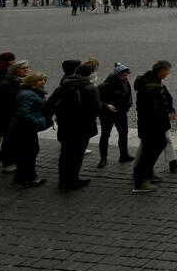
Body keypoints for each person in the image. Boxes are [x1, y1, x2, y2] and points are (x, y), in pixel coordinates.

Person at [46, 60, 104, 191]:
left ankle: (62, 180)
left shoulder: (63, 86)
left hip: (65, 125)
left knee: (65, 153)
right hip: (83, 127)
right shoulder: (90, 88)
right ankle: (72, 180)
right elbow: (97, 108)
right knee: (77, 155)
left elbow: (49, 105)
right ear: (89, 75)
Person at [132, 61, 172, 193]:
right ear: (160, 70)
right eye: (167, 70)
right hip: (151, 125)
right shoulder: (151, 87)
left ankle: (147, 173)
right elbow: (155, 109)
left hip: (151, 124)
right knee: (149, 151)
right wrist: (163, 120)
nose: (168, 73)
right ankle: (140, 181)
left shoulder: (154, 82)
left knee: (156, 146)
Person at [9, 72, 53, 188]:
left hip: (22, 128)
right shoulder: (28, 95)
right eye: (39, 80)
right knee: (29, 153)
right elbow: (23, 113)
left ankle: (21, 176)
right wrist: (39, 122)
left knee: (26, 153)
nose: (43, 82)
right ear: (32, 82)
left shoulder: (28, 92)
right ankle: (28, 178)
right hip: (25, 129)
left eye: (44, 80)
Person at [97, 63, 134, 167]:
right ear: (117, 75)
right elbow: (96, 100)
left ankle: (124, 155)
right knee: (105, 135)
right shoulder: (105, 85)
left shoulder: (125, 82)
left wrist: (129, 104)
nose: (126, 77)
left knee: (123, 134)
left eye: (127, 75)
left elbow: (129, 94)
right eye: (124, 75)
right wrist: (106, 105)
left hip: (121, 113)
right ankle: (103, 158)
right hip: (107, 114)